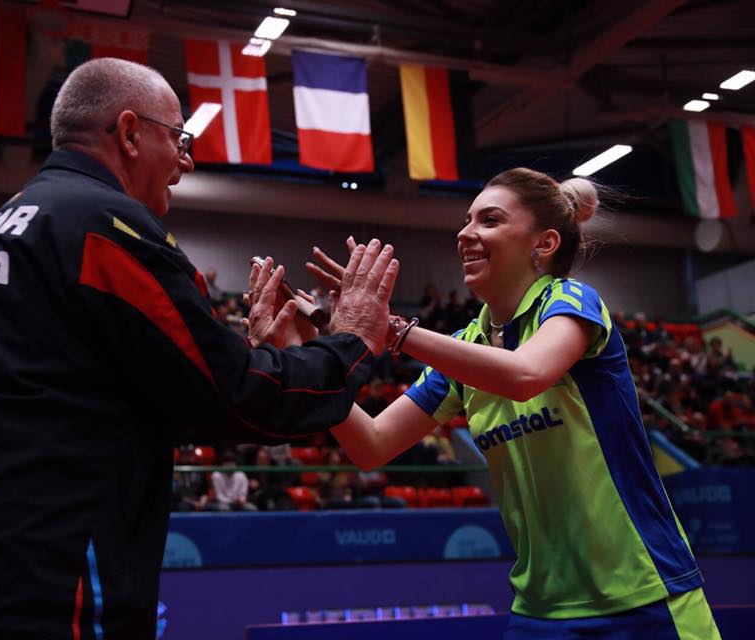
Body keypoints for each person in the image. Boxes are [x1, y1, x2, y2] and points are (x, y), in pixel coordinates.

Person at [0, 58, 398, 639]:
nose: (186, 161)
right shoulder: (105, 227)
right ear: (129, 133)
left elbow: (94, 398)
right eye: (179, 139)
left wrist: (246, 351)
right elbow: (238, 397)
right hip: (19, 593)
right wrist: (350, 339)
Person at [291, 168, 720, 638]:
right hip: (541, 612)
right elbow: (371, 445)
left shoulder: (571, 302)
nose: (465, 233)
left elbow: (526, 375)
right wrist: (307, 361)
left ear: (545, 243)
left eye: (489, 221)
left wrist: (392, 330)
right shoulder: (465, 345)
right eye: (466, 220)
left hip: (646, 597)